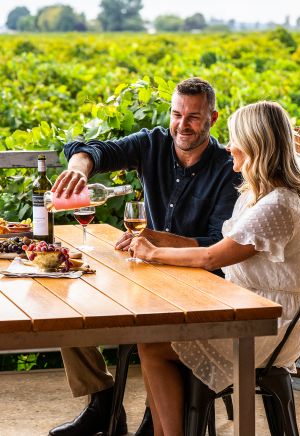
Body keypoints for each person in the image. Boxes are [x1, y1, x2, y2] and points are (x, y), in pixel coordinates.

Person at [48, 77, 241, 436]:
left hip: (197, 284)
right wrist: (79, 166)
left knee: (147, 335)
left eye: (194, 117)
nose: (182, 125)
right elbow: (91, 148)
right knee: (66, 300)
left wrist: (156, 240)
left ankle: (158, 419)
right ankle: (103, 401)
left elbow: (216, 245)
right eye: (176, 114)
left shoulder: (226, 169)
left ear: (212, 118)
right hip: (146, 272)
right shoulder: (153, 143)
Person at [129, 100, 300, 436]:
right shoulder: (254, 195)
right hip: (244, 310)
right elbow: (212, 250)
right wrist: (154, 240)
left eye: (235, 138)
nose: (228, 146)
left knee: (153, 347)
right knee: (151, 337)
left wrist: (154, 253)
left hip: (268, 323)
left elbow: (213, 257)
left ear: (257, 143)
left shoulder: (278, 204)